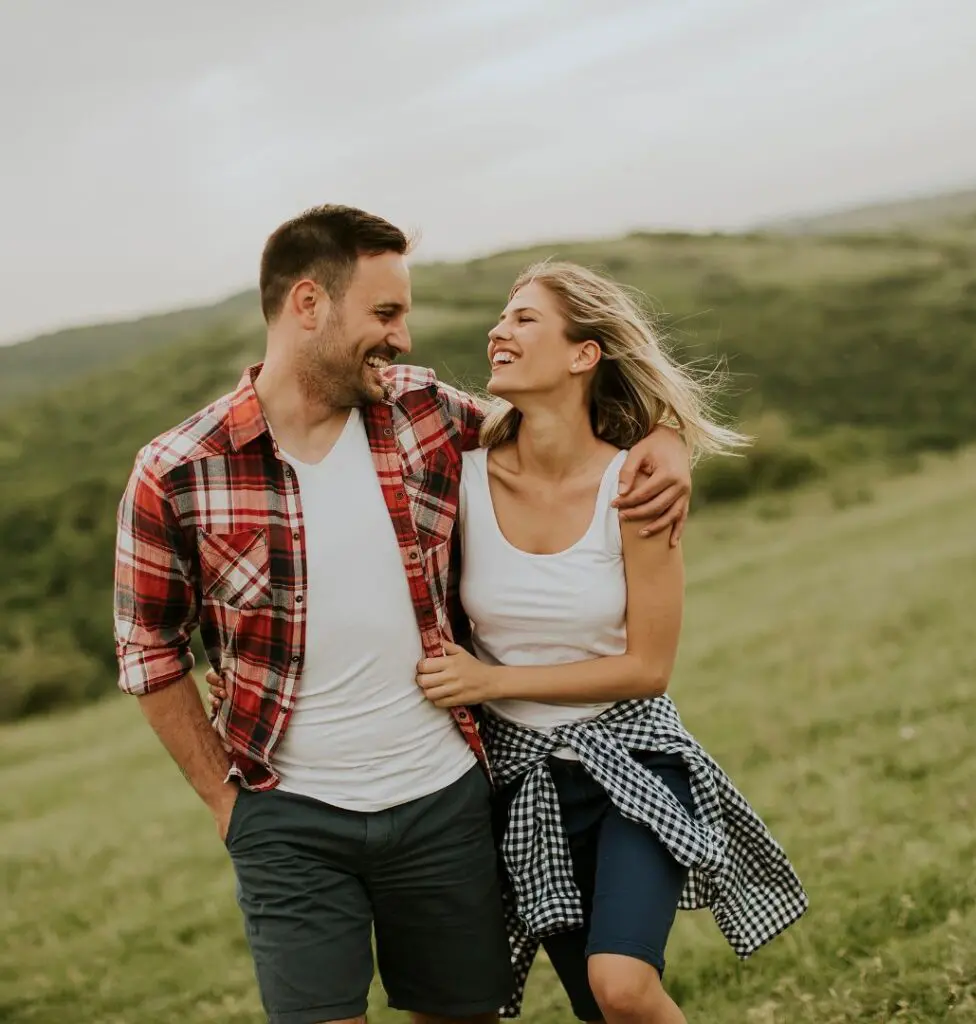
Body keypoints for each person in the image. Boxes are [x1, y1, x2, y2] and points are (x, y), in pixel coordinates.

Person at [113, 205, 693, 1024]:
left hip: (445, 802)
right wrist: (225, 802)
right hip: (288, 818)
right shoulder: (177, 472)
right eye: (385, 314)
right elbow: (148, 650)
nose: (404, 339)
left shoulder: (421, 414)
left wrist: (667, 442)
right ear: (309, 304)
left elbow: (566, 426)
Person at [409, 262, 809, 1023]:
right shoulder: (454, 478)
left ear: (583, 355)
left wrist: (489, 683)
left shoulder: (636, 486)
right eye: (502, 316)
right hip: (526, 788)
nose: (499, 329)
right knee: (602, 1008)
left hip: (635, 762)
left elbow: (647, 669)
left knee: (623, 984)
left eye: (525, 318)